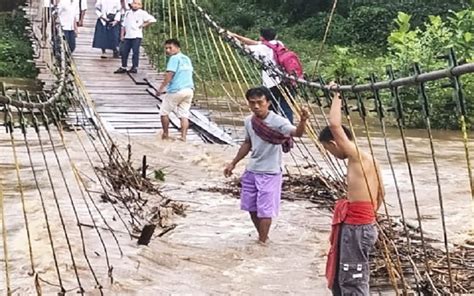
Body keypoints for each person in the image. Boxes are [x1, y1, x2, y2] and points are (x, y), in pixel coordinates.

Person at [320, 82, 384, 295]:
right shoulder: (369, 159)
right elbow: (380, 193)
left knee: (352, 279)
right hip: (365, 224)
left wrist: (337, 95)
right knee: (350, 276)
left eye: (328, 149)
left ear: (335, 143)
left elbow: (334, 125)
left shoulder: (355, 156)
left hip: (357, 228)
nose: (331, 154)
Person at [223, 86, 309, 244]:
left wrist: (303, 121)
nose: (256, 106)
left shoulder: (278, 122)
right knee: (251, 208)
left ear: (268, 102)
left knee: (265, 211)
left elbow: (296, 133)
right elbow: (247, 143)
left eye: (260, 102)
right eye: (252, 103)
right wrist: (233, 163)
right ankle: (263, 238)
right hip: (251, 170)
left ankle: (262, 243)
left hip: (270, 172)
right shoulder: (249, 121)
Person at [229, 28, 294, 123]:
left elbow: (243, 46)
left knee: (271, 109)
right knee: (286, 109)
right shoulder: (278, 44)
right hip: (286, 81)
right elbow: (254, 42)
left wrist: (230, 37)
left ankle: (272, 130)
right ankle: (288, 131)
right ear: (275, 36)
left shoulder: (260, 49)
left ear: (261, 37)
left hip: (271, 84)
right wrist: (237, 36)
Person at [155, 39, 194, 142]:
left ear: (177, 48)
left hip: (176, 90)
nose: (168, 50)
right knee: (184, 115)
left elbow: (169, 75)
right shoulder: (187, 59)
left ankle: (165, 134)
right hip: (189, 90)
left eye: (170, 48)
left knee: (164, 112)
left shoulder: (174, 58)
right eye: (166, 48)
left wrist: (160, 88)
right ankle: (183, 137)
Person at [114, 0, 155, 73]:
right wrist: (122, 35)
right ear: (131, 4)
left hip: (137, 36)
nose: (136, 5)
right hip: (127, 35)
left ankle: (134, 67)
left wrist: (144, 25)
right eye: (134, 3)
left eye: (138, 4)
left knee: (135, 52)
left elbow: (152, 20)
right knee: (124, 51)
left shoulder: (142, 13)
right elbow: (123, 25)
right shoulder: (127, 13)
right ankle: (124, 66)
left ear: (141, 6)